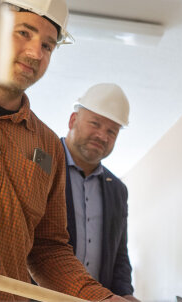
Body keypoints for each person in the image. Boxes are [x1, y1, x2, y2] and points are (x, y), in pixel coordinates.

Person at [0, 0, 125, 302]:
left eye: (47, 45)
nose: (34, 52)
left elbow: (48, 250)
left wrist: (105, 299)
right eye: (24, 32)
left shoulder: (48, 146)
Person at [61, 83, 140, 302]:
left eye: (111, 131)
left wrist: (126, 294)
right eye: (95, 124)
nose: (102, 136)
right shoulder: (44, 163)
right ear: (72, 120)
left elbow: (119, 254)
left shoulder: (117, 190)